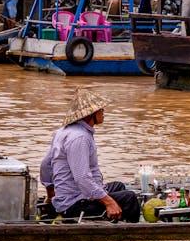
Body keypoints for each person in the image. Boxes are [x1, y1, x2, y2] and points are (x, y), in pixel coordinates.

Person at [39, 89, 141, 223]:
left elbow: (45, 165)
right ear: (91, 114)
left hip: (69, 198)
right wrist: (109, 202)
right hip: (75, 204)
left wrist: (51, 195)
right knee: (130, 198)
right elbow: (82, 178)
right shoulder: (80, 138)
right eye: (101, 110)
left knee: (119, 186)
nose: (103, 113)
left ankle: (113, 221)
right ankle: (130, 237)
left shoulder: (62, 132)